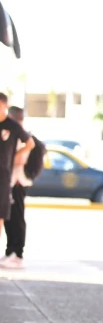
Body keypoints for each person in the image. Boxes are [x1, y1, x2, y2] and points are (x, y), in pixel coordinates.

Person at [1, 106, 39, 269]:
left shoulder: (26, 137)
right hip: (10, 181)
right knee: (9, 219)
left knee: (16, 217)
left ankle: (17, 252)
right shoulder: (14, 136)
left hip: (18, 181)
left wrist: (26, 176)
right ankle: (10, 251)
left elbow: (35, 159)